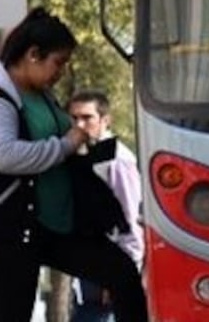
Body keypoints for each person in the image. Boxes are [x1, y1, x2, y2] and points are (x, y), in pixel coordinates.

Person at [0, 7, 148, 322]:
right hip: (12, 228)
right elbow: (5, 155)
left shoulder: (42, 95)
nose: (61, 72)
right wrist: (65, 145)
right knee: (11, 313)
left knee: (122, 273)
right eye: (57, 63)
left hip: (56, 224)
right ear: (33, 55)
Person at [68, 91, 143, 322]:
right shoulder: (86, 154)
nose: (80, 124)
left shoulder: (117, 161)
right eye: (74, 118)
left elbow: (129, 220)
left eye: (87, 117)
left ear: (104, 120)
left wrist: (122, 277)